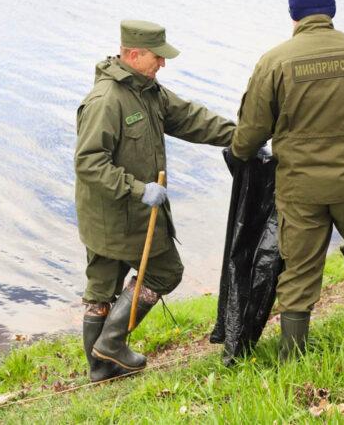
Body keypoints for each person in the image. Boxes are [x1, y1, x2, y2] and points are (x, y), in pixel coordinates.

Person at [231, 0, 344, 360]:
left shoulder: (275, 61)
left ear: (293, 14)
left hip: (302, 190)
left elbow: (251, 131)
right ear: (331, 10)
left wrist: (239, 153)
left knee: (299, 273)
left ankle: (293, 359)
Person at [74, 20, 235, 380]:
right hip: (116, 215)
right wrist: (138, 189)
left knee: (103, 288)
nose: (162, 64)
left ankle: (102, 368)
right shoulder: (106, 101)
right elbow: (88, 162)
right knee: (160, 273)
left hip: (126, 214)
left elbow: (191, 119)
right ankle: (109, 349)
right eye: (157, 57)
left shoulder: (148, 91)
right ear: (133, 55)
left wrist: (239, 136)